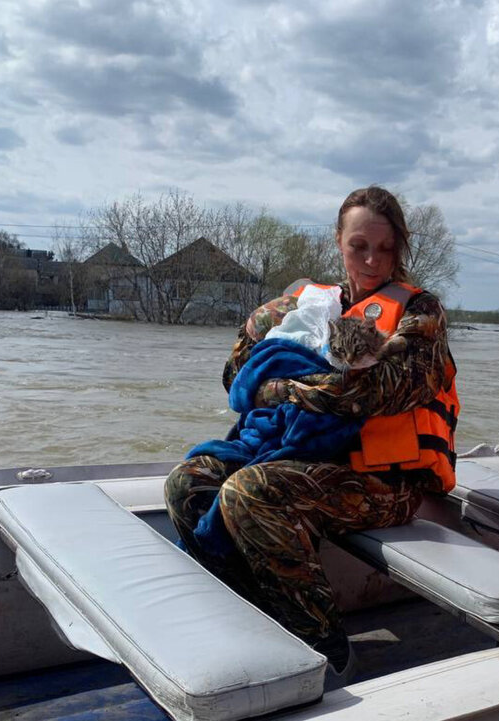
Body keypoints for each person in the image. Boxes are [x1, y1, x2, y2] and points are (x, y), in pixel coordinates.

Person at [165, 186, 459, 680]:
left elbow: (380, 392)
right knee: (187, 483)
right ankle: (247, 619)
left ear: (400, 248)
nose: (371, 260)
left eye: (386, 249)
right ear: (338, 241)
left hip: (386, 482)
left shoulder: (420, 312)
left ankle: (325, 650)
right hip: (302, 457)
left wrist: (279, 389)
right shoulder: (303, 303)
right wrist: (284, 383)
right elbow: (235, 372)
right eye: (358, 246)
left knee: (252, 492)